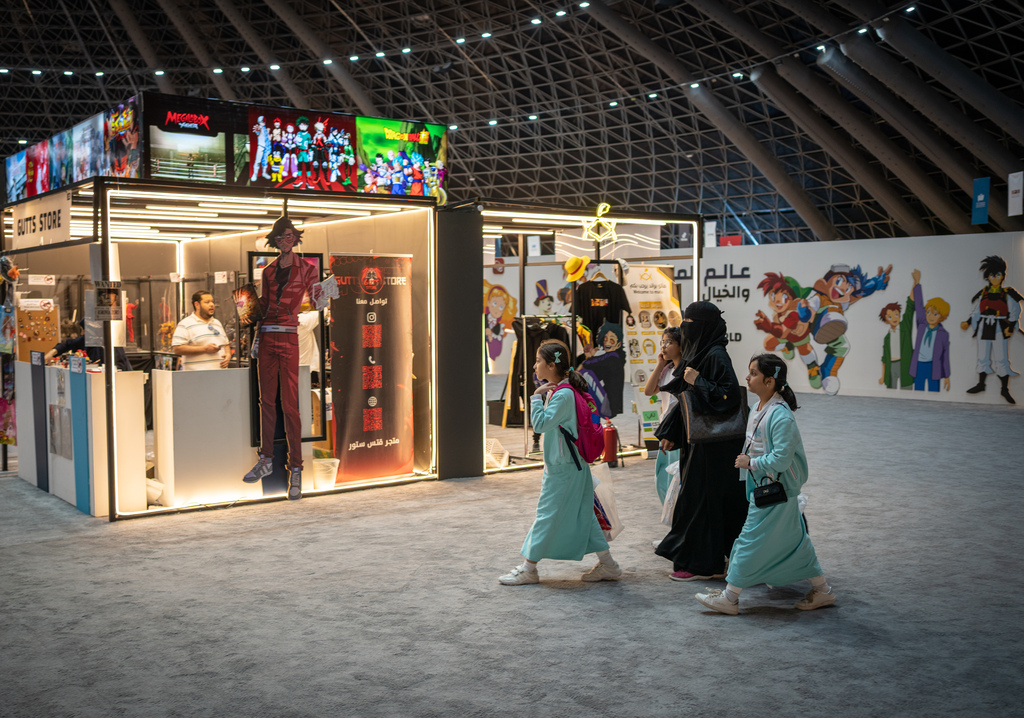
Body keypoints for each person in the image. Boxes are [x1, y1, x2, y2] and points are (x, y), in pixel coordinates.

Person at [694, 353, 836, 615]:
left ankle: (730, 597)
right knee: (796, 542)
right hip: (770, 490)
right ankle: (823, 591)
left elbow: (781, 459)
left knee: (748, 540)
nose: (747, 377)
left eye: (753, 373)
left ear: (769, 381)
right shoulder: (761, 408)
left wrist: (751, 462)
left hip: (774, 491)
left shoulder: (781, 416)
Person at [499, 339, 620, 586]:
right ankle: (609, 564)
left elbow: (542, 425)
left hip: (564, 469)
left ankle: (528, 568)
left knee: (546, 515)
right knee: (584, 514)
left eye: (538, 361)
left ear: (551, 365)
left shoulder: (563, 395)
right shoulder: (564, 391)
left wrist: (535, 398)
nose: (534, 366)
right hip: (571, 467)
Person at [654, 301, 748, 582]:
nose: (685, 328)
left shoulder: (716, 354)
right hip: (702, 442)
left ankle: (703, 564)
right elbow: (684, 399)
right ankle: (709, 559)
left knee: (703, 500)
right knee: (699, 499)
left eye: (690, 323)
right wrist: (672, 432)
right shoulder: (702, 351)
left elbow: (729, 395)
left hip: (716, 446)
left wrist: (697, 380)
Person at [241, 216, 321, 500]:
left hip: (288, 336)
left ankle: (295, 468)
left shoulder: (307, 270)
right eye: (280, 238)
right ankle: (266, 459)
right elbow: (262, 305)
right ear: (274, 241)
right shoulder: (270, 271)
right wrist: (246, 307)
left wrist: (330, 292)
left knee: (290, 405)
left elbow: (319, 299)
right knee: (266, 402)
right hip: (267, 336)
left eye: (289, 237)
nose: (285, 241)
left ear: (296, 239)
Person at [643, 326, 684, 504]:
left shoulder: (685, 372)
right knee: (662, 477)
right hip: (665, 430)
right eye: (663, 342)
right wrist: (660, 364)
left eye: (669, 342)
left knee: (675, 478)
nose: (664, 347)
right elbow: (649, 390)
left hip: (678, 433)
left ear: (681, 346)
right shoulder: (667, 371)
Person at [171, 291, 232, 371]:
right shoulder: (185, 324)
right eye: (207, 302)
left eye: (212, 302)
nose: (212, 305)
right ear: (197, 305)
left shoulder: (217, 323)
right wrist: (205, 349)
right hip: (197, 378)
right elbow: (177, 348)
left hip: (220, 376)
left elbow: (226, 344)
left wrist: (228, 354)